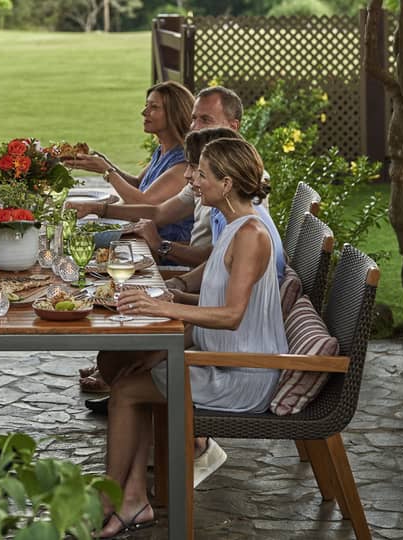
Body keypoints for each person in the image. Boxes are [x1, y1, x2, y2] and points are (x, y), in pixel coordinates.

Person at [96, 138, 288, 537]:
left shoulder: (251, 235)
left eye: (201, 173)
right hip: (219, 362)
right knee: (132, 373)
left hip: (242, 376)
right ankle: (131, 500)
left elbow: (232, 316)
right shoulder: (237, 226)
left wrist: (165, 309)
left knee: (127, 392)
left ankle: (107, 503)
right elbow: (217, 298)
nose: (192, 179)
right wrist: (169, 296)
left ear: (228, 182)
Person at [67, 86, 245, 267]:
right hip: (177, 265)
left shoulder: (233, 182)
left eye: (205, 119)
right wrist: (97, 204)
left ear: (233, 126)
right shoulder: (183, 161)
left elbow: (146, 202)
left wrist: (107, 172)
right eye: (194, 118)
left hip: (173, 262)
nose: (194, 127)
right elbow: (156, 211)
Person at [64, 80, 195, 243]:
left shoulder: (183, 163)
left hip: (163, 249)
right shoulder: (163, 150)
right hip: (139, 238)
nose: (144, 112)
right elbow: (138, 184)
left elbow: (143, 202)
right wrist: (104, 164)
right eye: (146, 105)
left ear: (174, 113)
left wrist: (107, 171)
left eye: (153, 107)